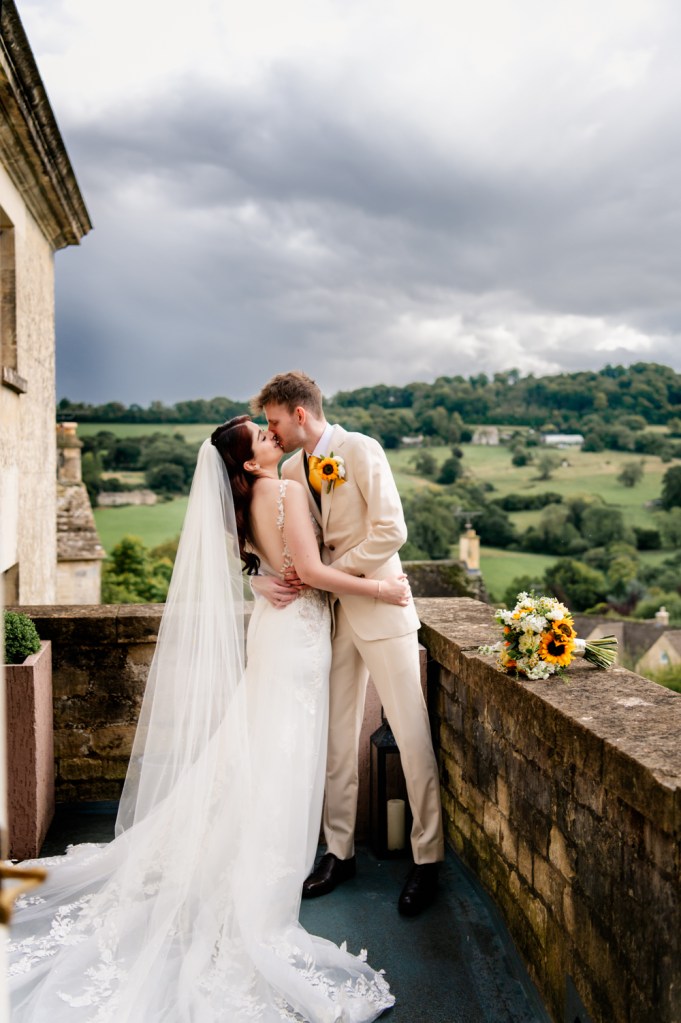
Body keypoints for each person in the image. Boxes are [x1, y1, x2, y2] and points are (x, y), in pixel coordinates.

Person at [8, 416, 405, 1022]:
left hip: (274, 629)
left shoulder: (243, 506)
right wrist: (384, 592)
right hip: (297, 636)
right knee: (283, 748)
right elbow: (316, 574)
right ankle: (265, 861)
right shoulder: (287, 491)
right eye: (263, 439)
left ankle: (242, 847)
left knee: (261, 742)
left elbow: (267, 569)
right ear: (249, 464)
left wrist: (260, 583)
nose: (275, 440)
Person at [250, 372, 445, 916]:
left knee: (412, 736)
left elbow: (391, 531)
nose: (273, 430)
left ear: (301, 414)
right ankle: (339, 852)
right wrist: (285, 577)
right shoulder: (289, 468)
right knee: (335, 740)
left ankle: (427, 860)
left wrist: (329, 572)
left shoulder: (361, 450)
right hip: (331, 620)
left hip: (382, 611)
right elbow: (286, 546)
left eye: (274, 421)